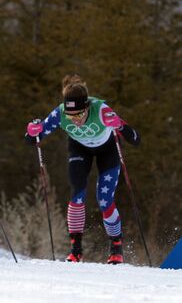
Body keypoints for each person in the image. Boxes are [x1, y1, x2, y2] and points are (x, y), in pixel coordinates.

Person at [25, 74, 140, 264]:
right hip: (80, 149)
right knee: (77, 194)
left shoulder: (101, 110)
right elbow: (32, 140)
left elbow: (136, 139)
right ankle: (76, 250)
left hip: (107, 150)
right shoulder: (60, 113)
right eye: (71, 116)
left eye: (78, 114)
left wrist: (119, 124)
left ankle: (116, 247)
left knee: (105, 200)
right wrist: (32, 132)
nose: (75, 120)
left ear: (87, 107)